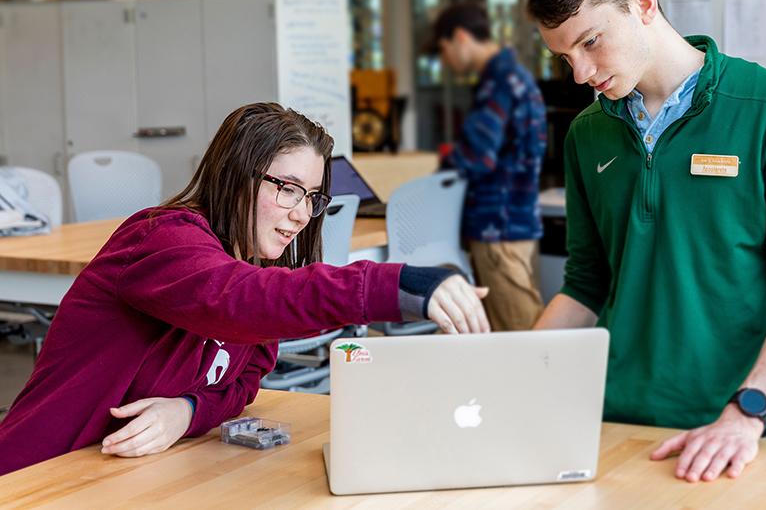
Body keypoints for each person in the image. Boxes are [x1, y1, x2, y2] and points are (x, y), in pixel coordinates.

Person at [0, 102, 489, 476]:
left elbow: (243, 384)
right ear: (237, 176)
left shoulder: (248, 262)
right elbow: (239, 299)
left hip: (125, 477)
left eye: (312, 198)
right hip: (37, 474)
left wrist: (186, 411)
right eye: (286, 188)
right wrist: (396, 283)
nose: (301, 214)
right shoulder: (162, 240)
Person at [524, 0, 766, 482]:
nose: (580, 74)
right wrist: (507, 376)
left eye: (590, 42)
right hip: (618, 427)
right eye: (563, 56)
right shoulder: (587, 135)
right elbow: (586, 282)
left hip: (739, 433)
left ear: (642, 2)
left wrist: (748, 413)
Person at [431, 2, 548, 331]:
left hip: (498, 225)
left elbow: (477, 156)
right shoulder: (515, 76)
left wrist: (444, 160)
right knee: (517, 326)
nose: (446, 61)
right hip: (516, 219)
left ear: (460, 38)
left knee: (520, 334)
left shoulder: (497, 82)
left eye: (444, 50)